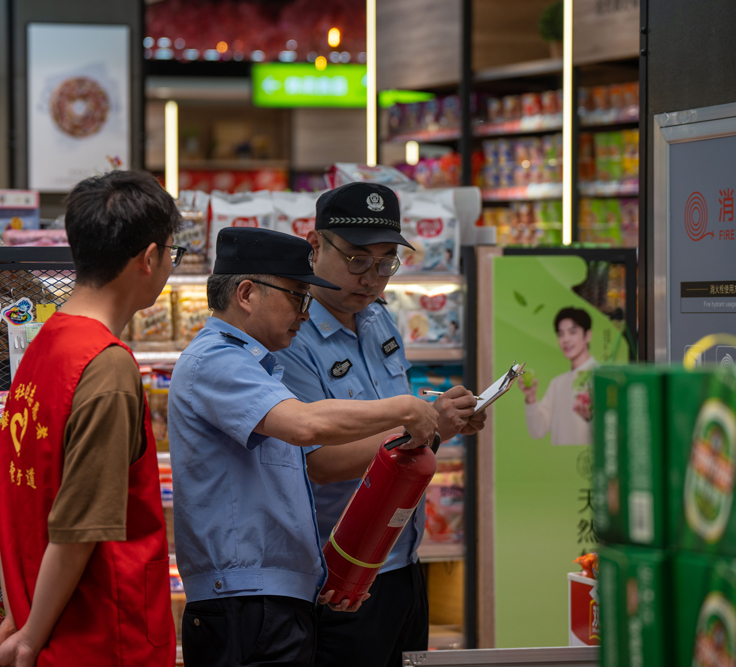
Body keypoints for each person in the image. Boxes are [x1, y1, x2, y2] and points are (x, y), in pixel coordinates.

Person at [169, 226, 443, 667]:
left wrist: (319, 578)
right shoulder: (215, 360)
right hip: (244, 604)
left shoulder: (257, 367)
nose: (304, 312)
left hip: (273, 599)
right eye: (298, 296)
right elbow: (305, 425)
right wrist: (403, 410)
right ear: (245, 293)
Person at [273, 182, 486, 667]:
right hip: (341, 580)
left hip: (404, 564)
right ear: (315, 244)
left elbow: (389, 412)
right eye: (356, 260)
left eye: (386, 262)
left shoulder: (380, 321)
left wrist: (442, 408)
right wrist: (430, 430)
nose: (371, 278)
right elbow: (320, 463)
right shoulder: (293, 337)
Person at [0, 170, 181, 667]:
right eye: (170, 255)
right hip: (100, 633)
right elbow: (81, 529)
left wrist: (27, 613)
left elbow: (24, 491)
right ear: (148, 259)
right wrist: (31, 635)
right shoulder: (108, 365)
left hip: (50, 615)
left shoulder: (47, 341)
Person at [518, 306, 599, 445]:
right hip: (558, 464)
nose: (565, 339)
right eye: (561, 334)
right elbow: (537, 430)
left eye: (572, 332)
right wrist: (531, 398)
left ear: (588, 335)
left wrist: (591, 418)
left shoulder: (602, 377)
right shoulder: (557, 383)